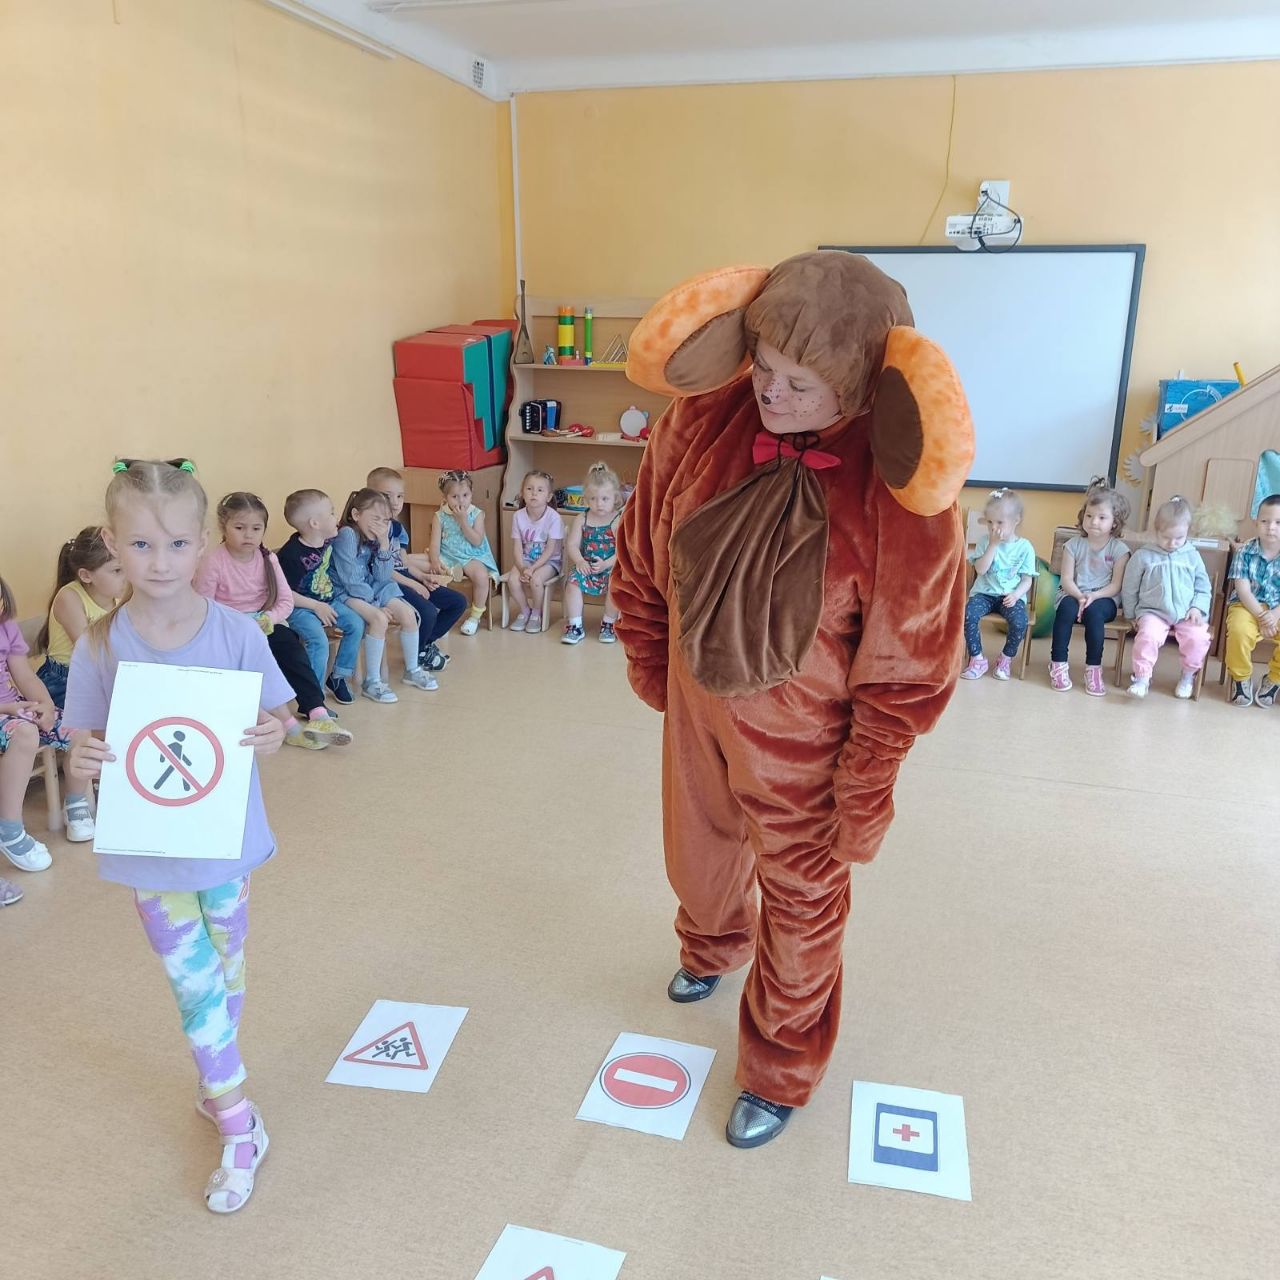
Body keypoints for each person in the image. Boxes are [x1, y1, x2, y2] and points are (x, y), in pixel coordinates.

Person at [613, 252, 973, 1147]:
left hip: (806, 740)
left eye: (800, 385)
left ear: (854, 383)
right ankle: (712, 944)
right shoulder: (707, 415)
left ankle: (779, 1068)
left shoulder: (902, 485)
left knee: (805, 901)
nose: (771, 394)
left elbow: (912, 658)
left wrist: (867, 780)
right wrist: (650, 653)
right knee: (697, 857)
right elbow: (642, 539)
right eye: (764, 369)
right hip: (698, 701)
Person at [63, 458, 290, 1213]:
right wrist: (82, 761)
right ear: (111, 544)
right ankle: (238, 1123)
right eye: (140, 545)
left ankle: (214, 1079)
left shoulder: (237, 633)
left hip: (225, 844)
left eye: (177, 545)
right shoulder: (100, 646)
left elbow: (280, 718)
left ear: (203, 544)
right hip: (151, 854)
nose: (160, 562)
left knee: (227, 969)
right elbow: (83, 744)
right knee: (193, 985)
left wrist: (274, 732)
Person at [195, 492, 351, 750]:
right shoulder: (214, 562)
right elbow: (203, 607)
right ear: (224, 526)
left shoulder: (268, 558)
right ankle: (289, 726)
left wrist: (270, 618)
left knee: (290, 647)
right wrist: (241, 624)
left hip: (263, 623)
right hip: (228, 629)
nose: (248, 535)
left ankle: (318, 714)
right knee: (259, 656)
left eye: (256, 529)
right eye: (240, 528)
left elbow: (286, 601)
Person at [0, 572, 85, 867]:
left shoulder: (6, 627)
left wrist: (45, 704)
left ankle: (76, 804)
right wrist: (8, 709)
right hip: (10, 714)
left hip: (16, 710)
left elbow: (24, 676)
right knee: (25, 733)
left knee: (78, 726)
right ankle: (9, 829)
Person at [330, 488, 434, 702]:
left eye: (385, 520)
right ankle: (372, 682)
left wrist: (384, 545)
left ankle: (412, 670)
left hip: (372, 586)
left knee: (408, 614)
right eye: (375, 518)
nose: (381, 525)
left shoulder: (376, 537)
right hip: (346, 591)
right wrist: (376, 604)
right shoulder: (347, 535)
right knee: (379, 618)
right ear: (356, 515)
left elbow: (383, 575)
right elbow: (351, 581)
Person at [366, 467, 466, 673]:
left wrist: (422, 577)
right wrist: (412, 583)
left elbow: (403, 562)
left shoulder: (397, 529)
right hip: (386, 582)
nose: (395, 502)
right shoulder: (370, 531)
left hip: (404, 576)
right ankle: (419, 654)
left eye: (400, 496)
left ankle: (423, 645)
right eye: (387, 495)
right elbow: (382, 571)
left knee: (457, 602)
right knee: (427, 612)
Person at [276, 489, 364, 705]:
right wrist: (315, 606)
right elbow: (284, 593)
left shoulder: (328, 540)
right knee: (319, 641)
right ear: (315, 523)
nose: (336, 518)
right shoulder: (290, 555)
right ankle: (313, 699)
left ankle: (338, 676)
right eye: (331, 513)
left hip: (327, 601)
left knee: (356, 623)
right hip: (300, 608)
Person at [1120, 495, 1212, 699]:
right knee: (1148, 637)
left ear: (1188, 532)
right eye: (1166, 537)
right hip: (1153, 612)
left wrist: (1197, 607)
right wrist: (1131, 614)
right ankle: (1142, 678)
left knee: (1198, 638)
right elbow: (1129, 587)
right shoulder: (1143, 556)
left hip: (1187, 613)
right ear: (1156, 531)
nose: (1172, 543)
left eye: (1179, 538)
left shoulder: (1192, 556)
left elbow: (1203, 587)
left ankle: (1188, 676)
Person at [1049, 481, 1130, 695]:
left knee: (1094, 614)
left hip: (1104, 598)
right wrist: (1080, 596)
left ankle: (1093, 669)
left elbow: (1116, 585)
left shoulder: (1120, 550)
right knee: (1065, 610)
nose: (1094, 522)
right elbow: (1066, 579)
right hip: (1072, 593)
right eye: (1089, 516)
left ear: (1114, 522)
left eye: (1102, 517)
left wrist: (1093, 596)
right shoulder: (1072, 545)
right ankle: (1058, 664)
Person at [36, 525, 126, 709]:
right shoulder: (69, 598)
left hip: (102, 674)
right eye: (117, 570)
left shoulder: (119, 597)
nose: (127, 577)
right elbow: (89, 652)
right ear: (86, 575)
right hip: (64, 680)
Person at [961, 488, 1036, 680]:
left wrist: (1016, 595)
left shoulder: (1025, 547)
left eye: (1000, 522)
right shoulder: (985, 541)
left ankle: (1005, 659)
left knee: (1019, 622)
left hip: (1010, 596)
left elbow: (1027, 580)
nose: (993, 528)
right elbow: (980, 570)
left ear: (1016, 520)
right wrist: (993, 545)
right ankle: (977, 659)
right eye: (990, 522)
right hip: (984, 594)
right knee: (968, 615)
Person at [1224, 492, 1280, 706]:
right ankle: (1241, 677)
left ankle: (1274, 678)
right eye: (1265, 521)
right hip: (1246, 606)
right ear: (1256, 523)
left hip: (1277, 609)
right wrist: (1262, 616)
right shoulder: (1245, 551)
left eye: (1278, 522)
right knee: (1239, 631)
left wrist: (1274, 615)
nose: (1271, 527)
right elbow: (1243, 590)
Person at [430, 470, 501, 636]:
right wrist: (434, 560)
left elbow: (477, 541)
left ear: (471, 493)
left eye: (465, 495)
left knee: (481, 576)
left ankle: (475, 617)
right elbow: (434, 544)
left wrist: (463, 521)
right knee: (429, 570)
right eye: (455, 497)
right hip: (447, 555)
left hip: (471, 555)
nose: (461, 501)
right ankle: (440, 618)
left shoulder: (476, 514)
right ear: (445, 497)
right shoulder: (439, 516)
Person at [561, 461, 624, 645]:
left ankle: (608, 623)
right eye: (594, 499)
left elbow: (623, 551)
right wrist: (580, 561)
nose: (599, 504)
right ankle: (575, 626)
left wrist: (606, 564)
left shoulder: (617, 520)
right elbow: (572, 544)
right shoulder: (582, 518)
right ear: (586, 499)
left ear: (615, 498)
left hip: (611, 567)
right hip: (586, 567)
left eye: (605, 499)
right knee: (573, 582)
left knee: (616, 584)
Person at [506, 470, 564, 634]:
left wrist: (532, 569)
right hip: (526, 560)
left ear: (548, 496)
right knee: (513, 580)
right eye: (529, 489)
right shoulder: (518, 516)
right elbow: (517, 547)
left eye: (540, 490)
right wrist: (522, 567)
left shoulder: (554, 518)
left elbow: (550, 550)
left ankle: (536, 613)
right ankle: (525, 611)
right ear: (522, 493)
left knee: (536, 580)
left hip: (549, 562)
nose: (534, 493)